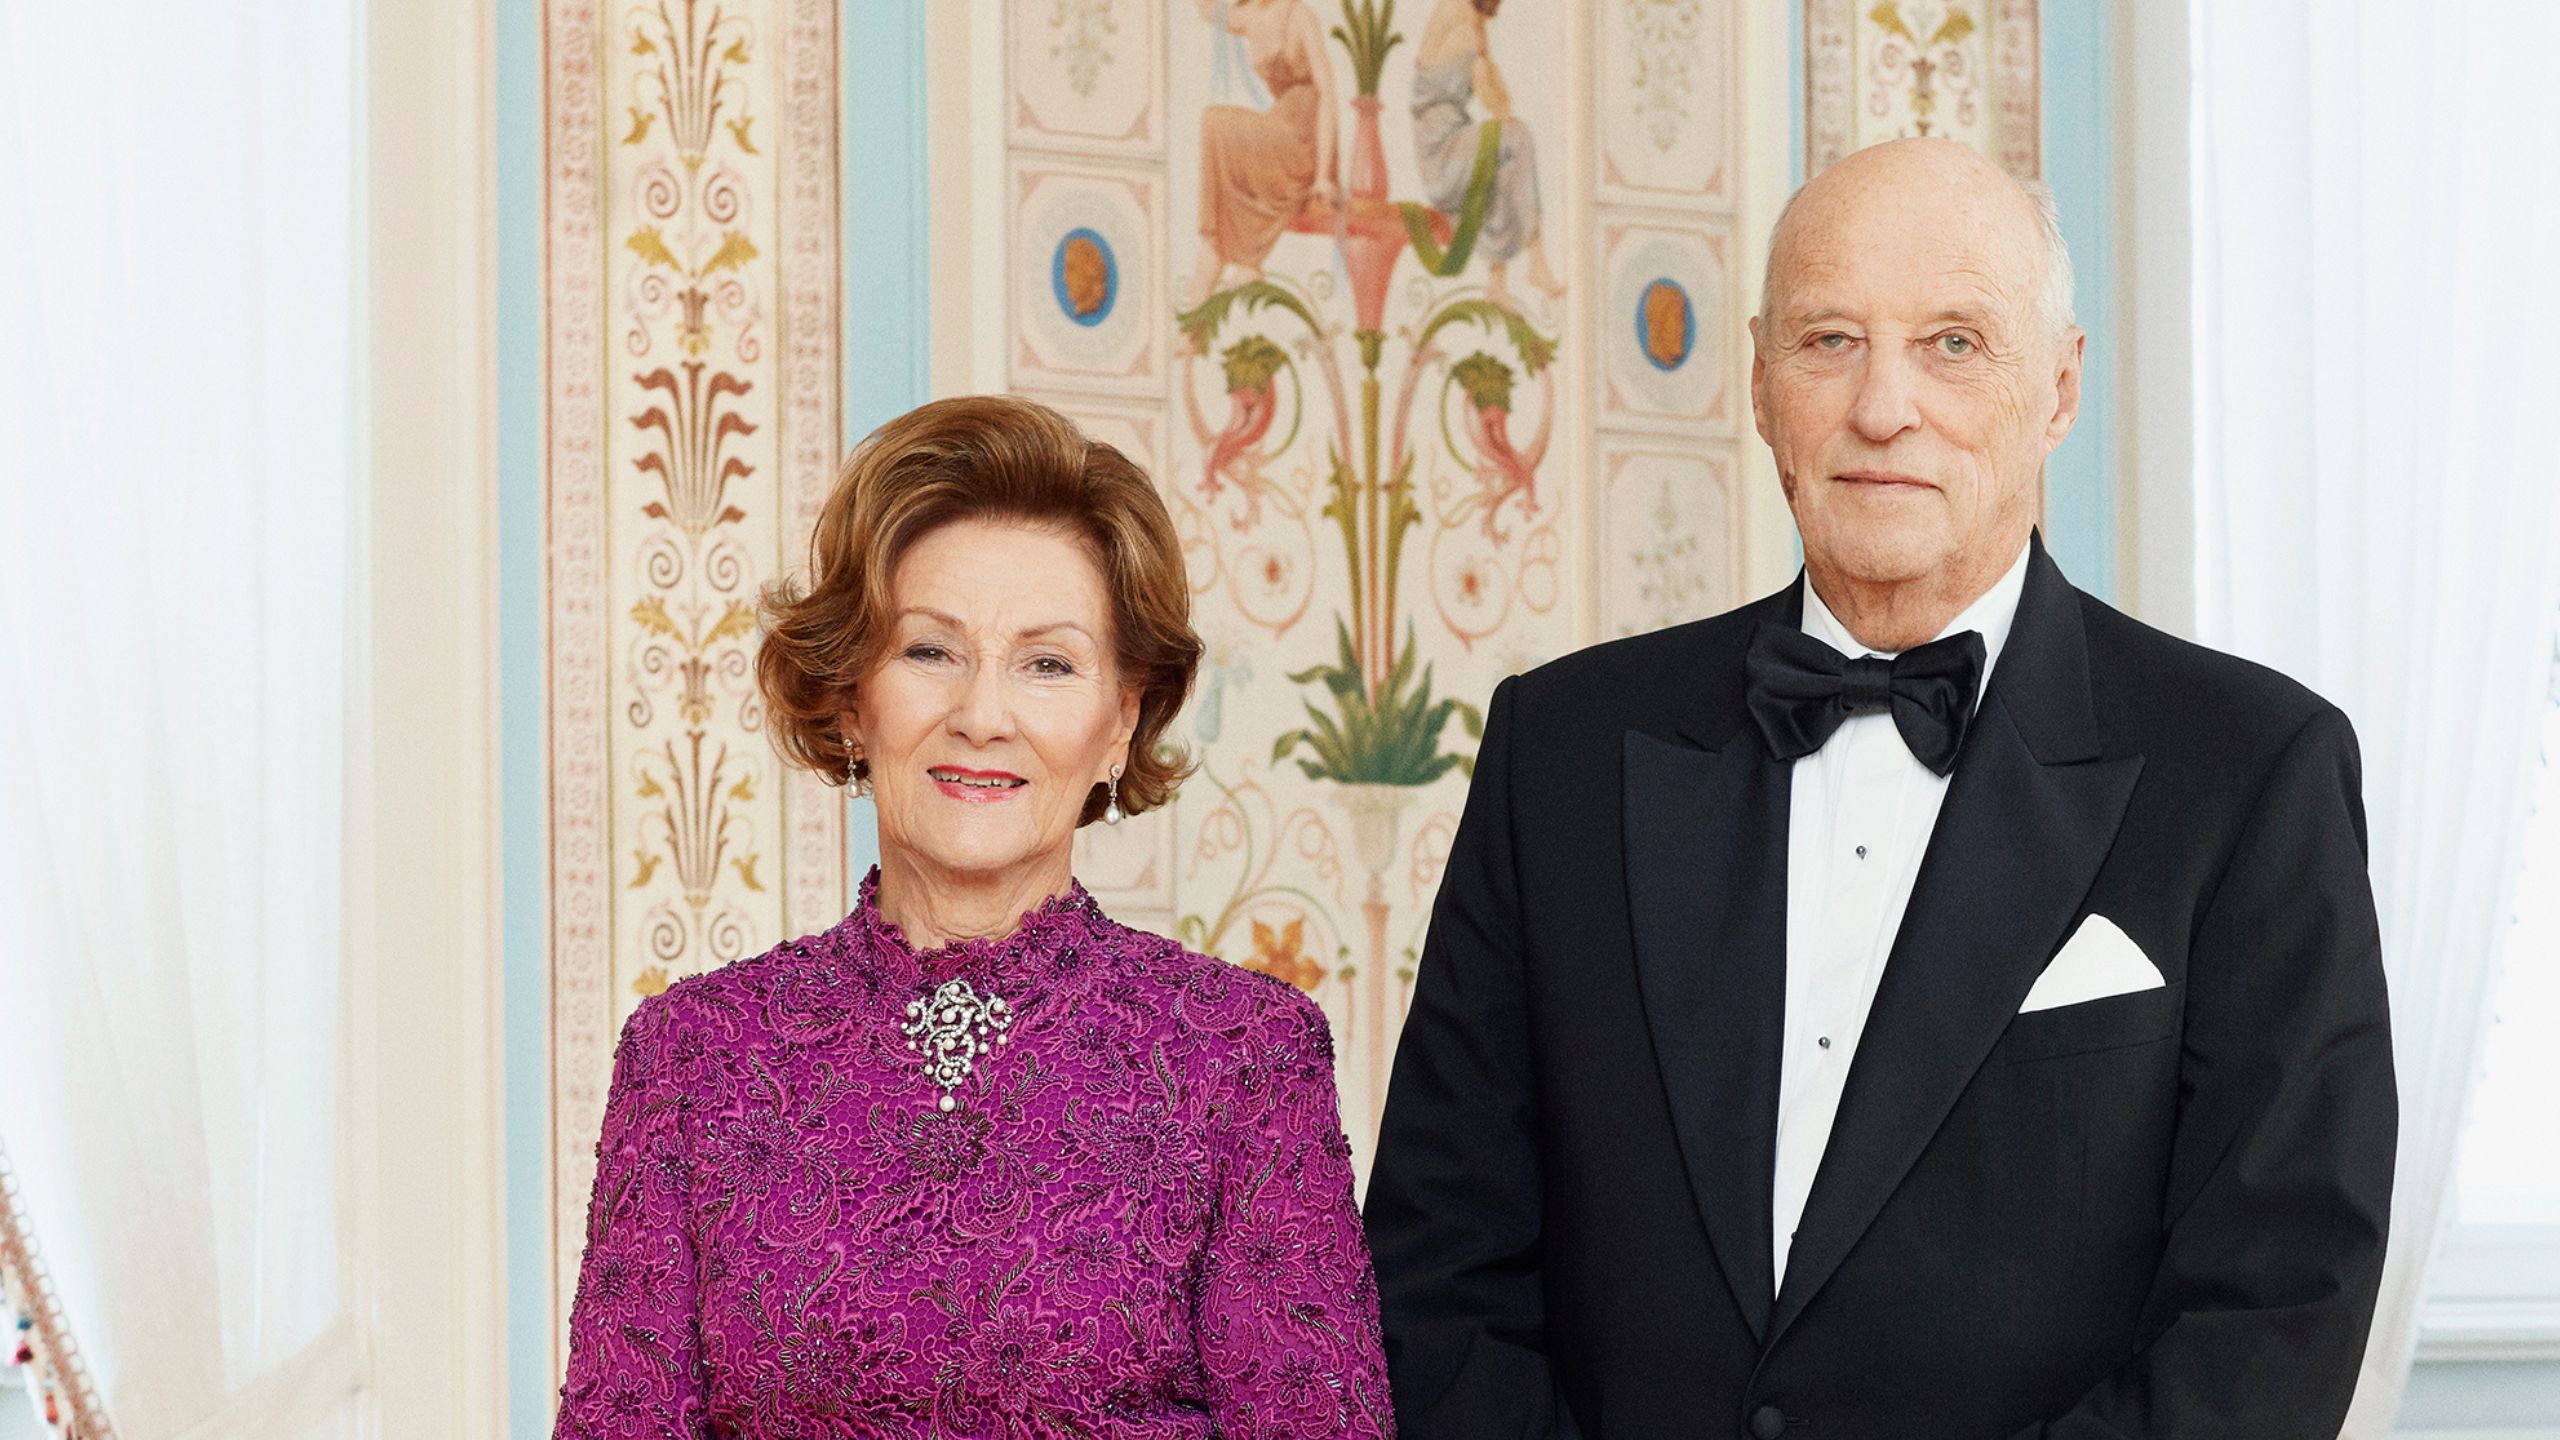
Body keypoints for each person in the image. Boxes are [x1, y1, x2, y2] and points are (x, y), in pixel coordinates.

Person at [1364, 138, 2395, 1438]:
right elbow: (1436, 1263)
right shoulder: (1559, 747)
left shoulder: (2254, 770)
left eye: (1954, 343)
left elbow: (2274, 1313)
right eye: (1830, 340)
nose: (1883, 408)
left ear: (2060, 387)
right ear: (1758, 380)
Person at [553, 396, 1395, 1438]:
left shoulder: (1244, 1055)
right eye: (929, 651)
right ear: (854, 699)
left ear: (1121, 719)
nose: (983, 716)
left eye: (1047, 663)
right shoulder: (690, 1056)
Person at [1411, 0, 1563, 310]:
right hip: (1440, 152)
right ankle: (1536, 258)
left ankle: (1497, 282)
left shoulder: (1471, 19)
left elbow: (1495, 93)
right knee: (1515, 136)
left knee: (1504, 155)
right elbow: (1496, 100)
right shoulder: (1461, 21)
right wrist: (1501, 106)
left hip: (1451, 137)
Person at [1187, 0, 1339, 307]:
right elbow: (1205, 10)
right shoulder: (1248, 15)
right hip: (1277, 126)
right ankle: (1193, 324)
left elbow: (1327, 94)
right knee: (1216, 129)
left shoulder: (1299, 15)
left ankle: (1248, 263)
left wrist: (1323, 175)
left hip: (1303, 138)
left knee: (1216, 122)